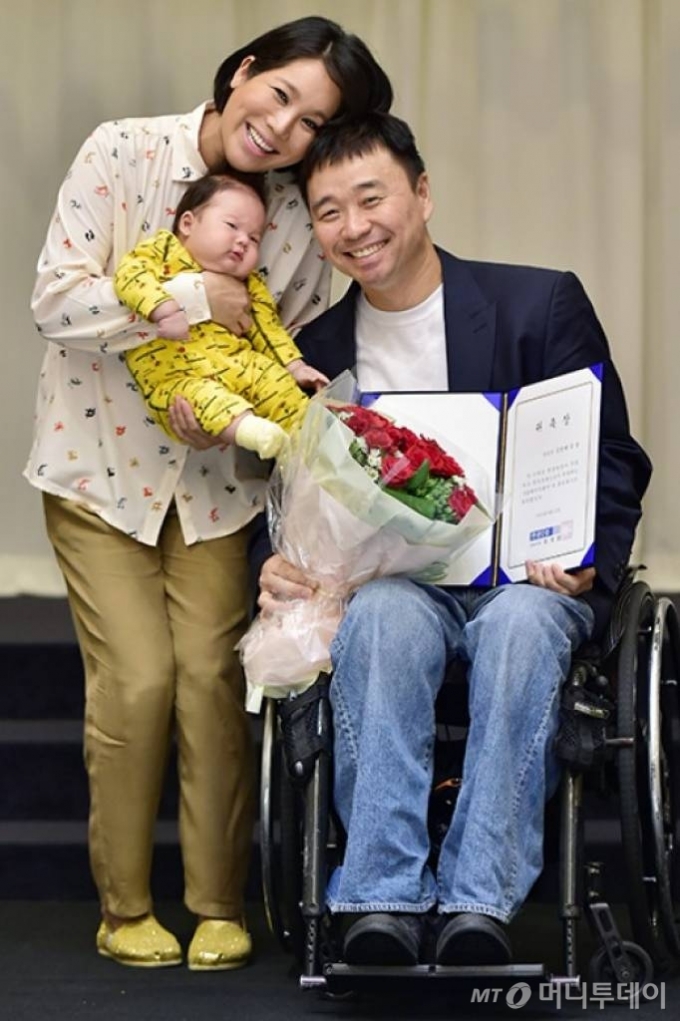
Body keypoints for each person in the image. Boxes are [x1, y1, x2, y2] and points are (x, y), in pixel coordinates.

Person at [26, 17, 392, 970]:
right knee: (138, 681)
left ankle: (219, 901)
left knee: (217, 686)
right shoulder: (122, 150)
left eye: (315, 124)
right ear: (242, 74)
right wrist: (192, 306)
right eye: (280, 97)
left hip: (220, 489)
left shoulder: (296, 227)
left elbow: (294, 353)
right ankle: (124, 905)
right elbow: (56, 300)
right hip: (98, 473)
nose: (284, 130)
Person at [252, 113, 652, 966]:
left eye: (372, 198)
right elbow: (291, 493)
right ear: (315, 232)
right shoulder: (315, 351)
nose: (354, 227)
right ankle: (380, 899)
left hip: (529, 582)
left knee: (519, 624)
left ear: (422, 194)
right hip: (394, 587)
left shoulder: (536, 302)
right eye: (328, 211)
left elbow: (613, 455)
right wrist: (279, 563)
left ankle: (478, 900)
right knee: (386, 618)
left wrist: (585, 559)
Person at [115, 171, 329, 459]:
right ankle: (252, 430)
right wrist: (165, 308)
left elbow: (268, 330)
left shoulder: (250, 283)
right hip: (176, 372)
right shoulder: (163, 251)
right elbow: (131, 276)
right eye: (232, 226)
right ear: (188, 223)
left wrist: (294, 367)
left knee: (274, 381)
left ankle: (313, 443)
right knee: (201, 399)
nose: (243, 242)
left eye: (254, 239)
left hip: (238, 363)